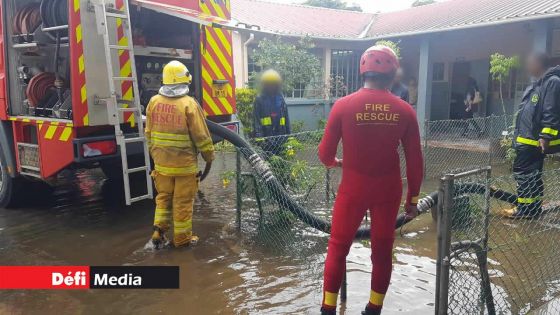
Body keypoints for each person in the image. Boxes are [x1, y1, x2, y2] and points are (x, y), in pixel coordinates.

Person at [318, 46, 424, 315]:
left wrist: (335, 163)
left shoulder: (343, 106)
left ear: (363, 72)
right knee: (382, 250)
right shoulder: (405, 111)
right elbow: (415, 162)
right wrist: (413, 200)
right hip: (388, 190)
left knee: (338, 247)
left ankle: (328, 309)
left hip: (352, 189)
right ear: (391, 76)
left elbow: (324, 154)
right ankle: (373, 309)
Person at [145, 60, 215, 248]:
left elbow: (149, 133)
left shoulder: (153, 102)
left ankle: (158, 231)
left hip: (161, 165)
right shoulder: (189, 104)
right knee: (182, 203)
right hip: (184, 166)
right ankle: (182, 240)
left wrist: (156, 156)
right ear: (185, 81)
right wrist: (209, 156)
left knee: (164, 198)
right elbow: (201, 136)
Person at [501, 52, 560, 219]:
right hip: (525, 140)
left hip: (534, 141)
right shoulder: (537, 84)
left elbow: (551, 111)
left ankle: (526, 210)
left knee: (523, 174)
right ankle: (533, 208)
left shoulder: (552, 83)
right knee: (531, 175)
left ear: (540, 64)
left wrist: (545, 136)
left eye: (530, 63)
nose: (528, 67)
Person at [252, 69, 291, 155]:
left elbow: (286, 120)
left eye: (273, 84)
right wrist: (260, 142)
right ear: (264, 85)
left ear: (277, 85)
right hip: (266, 143)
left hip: (281, 140)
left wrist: (289, 139)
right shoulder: (259, 100)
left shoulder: (280, 99)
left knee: (281, 164)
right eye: (269, 84)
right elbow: (256, 122)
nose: (271, 86)